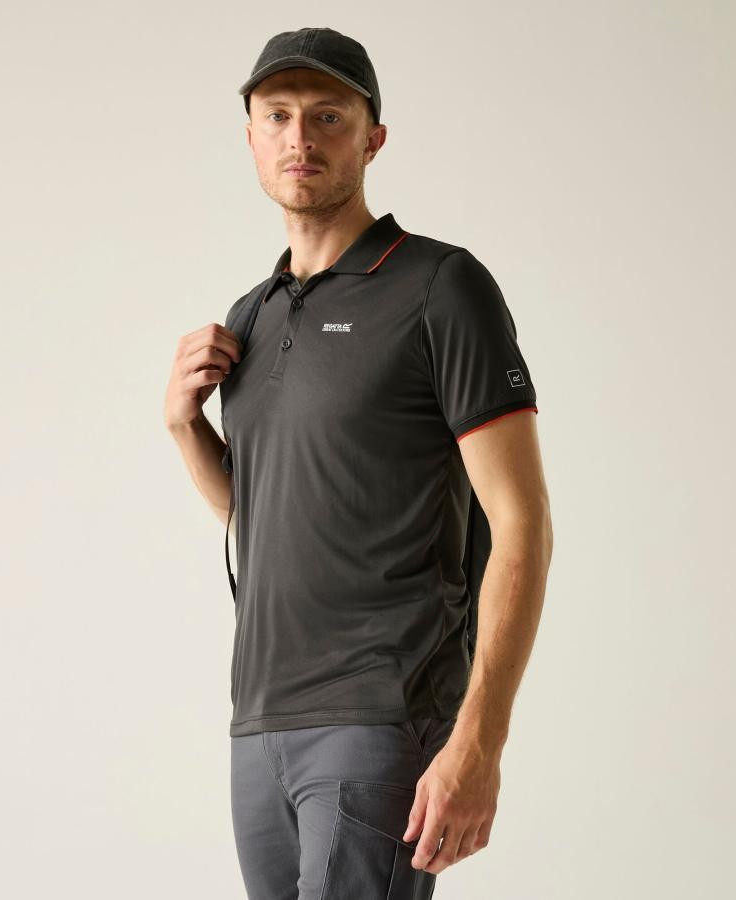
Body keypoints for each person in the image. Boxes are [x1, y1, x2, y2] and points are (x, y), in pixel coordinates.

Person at [164, 26, 553, 899]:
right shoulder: (252, 314)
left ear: (372, 138)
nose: (300, 137)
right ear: (252, 137)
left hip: (381, 712)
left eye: (328, 116)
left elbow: (522, 521)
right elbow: (271, 517)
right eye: (278, 116)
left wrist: (479, 741)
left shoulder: (440, 287)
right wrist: (186, 427)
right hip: (260, 723)